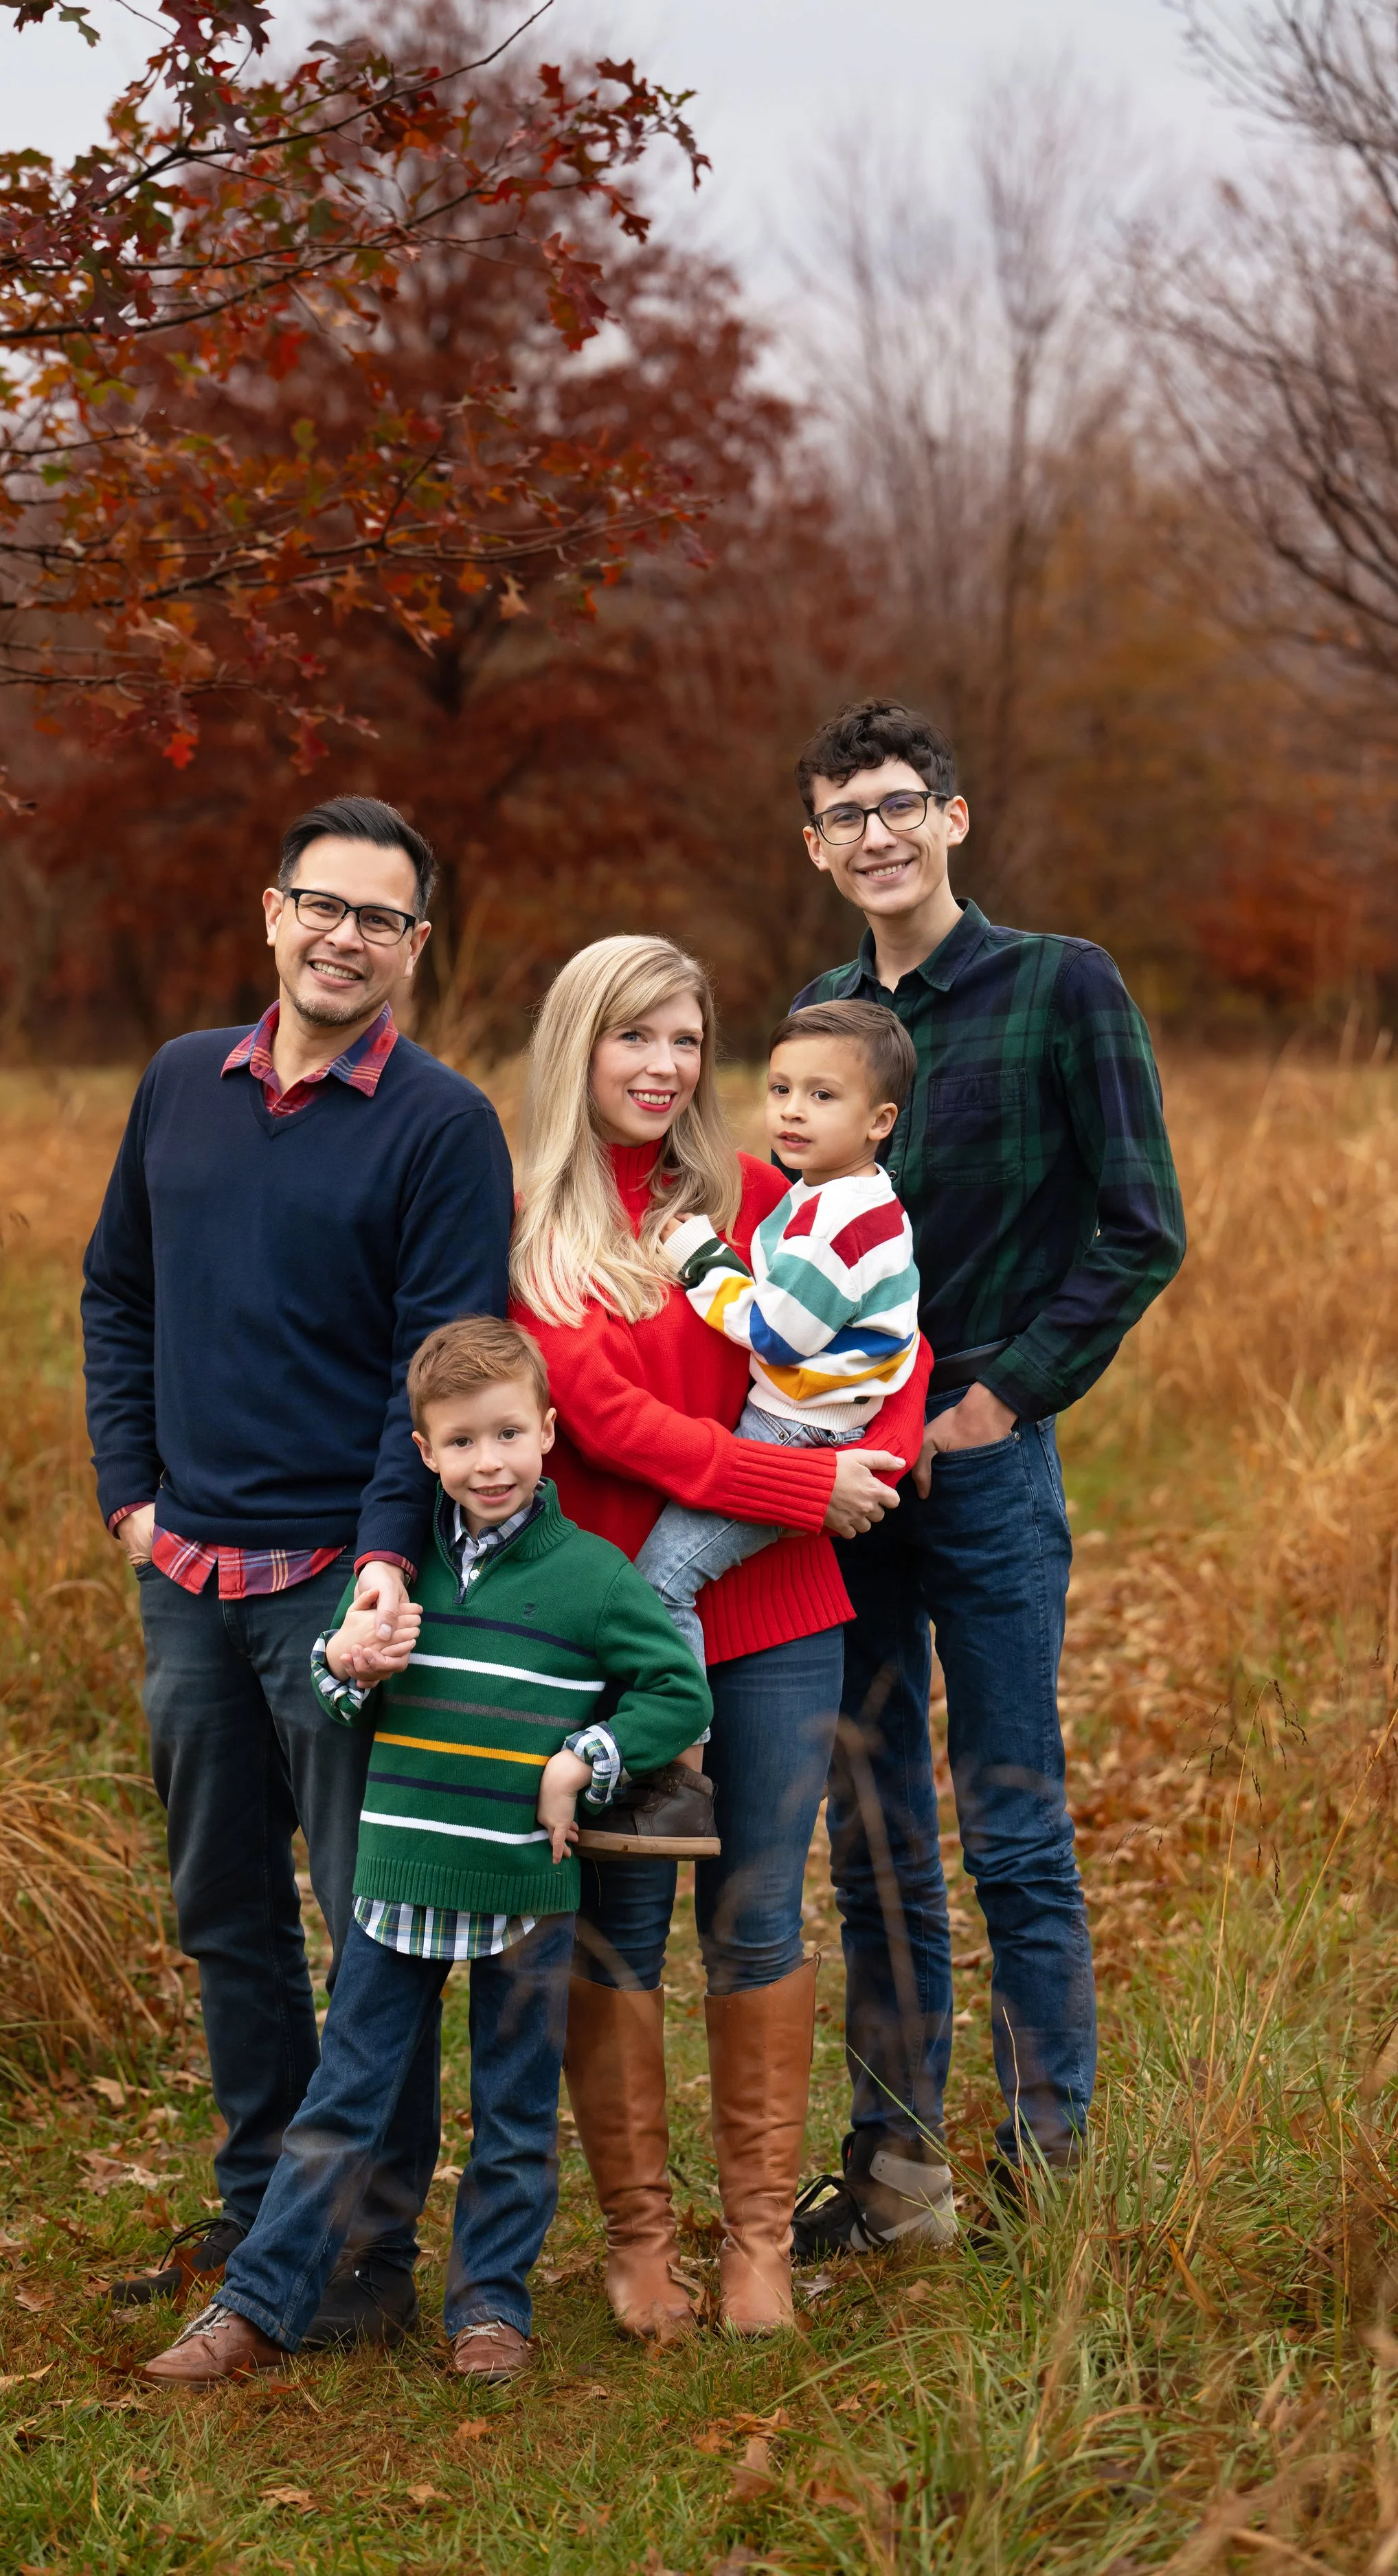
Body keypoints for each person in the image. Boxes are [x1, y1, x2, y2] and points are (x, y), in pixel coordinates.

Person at [81, 795, 514, 2338]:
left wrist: (388, 1564)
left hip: (344, 1585)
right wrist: (129, 1495)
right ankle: (257, 2202)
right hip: (185, 1578)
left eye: (380, 920)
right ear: (270, 912)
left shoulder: (442, 1125)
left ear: (413, 946)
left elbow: (445, 1371)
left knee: (368, 1918)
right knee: (225, 1912)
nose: (344, 939)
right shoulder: (177, 1086)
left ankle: (364, 2252)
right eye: (320, 907)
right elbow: (116, 1293)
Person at [785, 699, 1186, 2254]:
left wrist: (1004, 1393)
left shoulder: (1058, 984)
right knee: (867, 1827)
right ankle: (896, 2172)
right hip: (842, 1489)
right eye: (846, 816)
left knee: (1011, 1821)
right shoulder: (824, 1009)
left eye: (902, 803)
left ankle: (1047, 2169)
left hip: (986, 1470)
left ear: (952, 816)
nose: (877, 834)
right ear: (816, 849)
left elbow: (1140, 1223)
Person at [137, 1315, 712, 2387]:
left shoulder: (590, 1577)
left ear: (548, 1429)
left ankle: (492, 2304)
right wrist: (345, 1662)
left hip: (523, 1887)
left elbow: (679, 1690)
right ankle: (261, 2304)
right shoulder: (398, 1580)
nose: (487, 1462)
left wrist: (586, 1757)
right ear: (424, 1452)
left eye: (507, 1434)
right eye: (459, 1442)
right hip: (399, 1881)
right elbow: (338, 1695)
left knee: (512, 2109)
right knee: (343, 2099)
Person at [509, 935, 929, 2340]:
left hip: (779, 1611)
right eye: (633, 1037)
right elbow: (612, 1425)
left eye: (684, 1039)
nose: (661, 1067)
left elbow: (893, 1337)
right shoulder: (534, 1229)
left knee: (756, 1911)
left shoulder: (761, 1194)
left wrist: (877, 1440)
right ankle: (638, 2244)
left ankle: (754, 2245)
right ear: (579, 1048)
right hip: (619, 1632)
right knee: (620, 1918)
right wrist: (803, 1481)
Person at [637, 998, 922, 1665]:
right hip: (813, 1418)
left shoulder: (837, 1222)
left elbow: (777, 1333)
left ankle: (676, 1744)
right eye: (781, 1089)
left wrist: (700, 1259)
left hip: (795, 1428)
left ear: (881, 1121)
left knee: (659, 1583)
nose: (792, 1110)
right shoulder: (847, 1197)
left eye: (822, 1095)